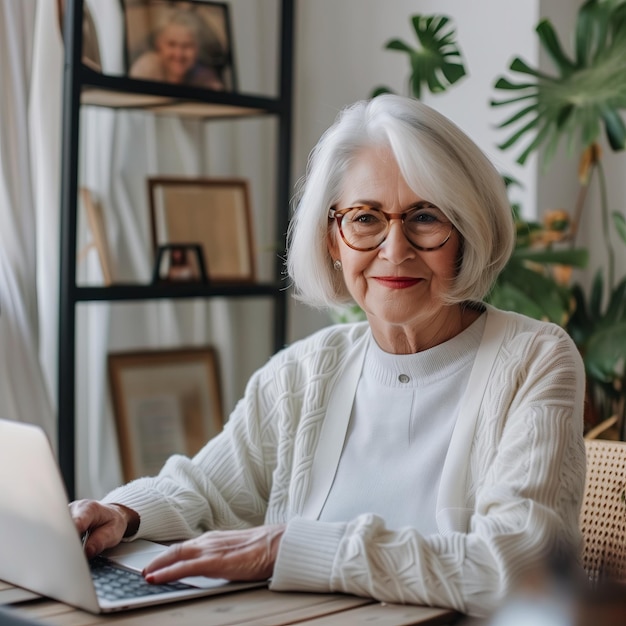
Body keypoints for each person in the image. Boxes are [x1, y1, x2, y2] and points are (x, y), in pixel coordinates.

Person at [70, 95, 586, 618]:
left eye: (425, 217)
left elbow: (520, 567)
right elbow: (205, 490)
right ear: (333, 241)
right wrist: (121, 513)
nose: (395, 248)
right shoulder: (303, 372)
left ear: (468, 233)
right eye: (365, 218)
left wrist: (288, 548)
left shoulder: (534, 360)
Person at [129, 9, 225, 90]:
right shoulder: (145, 69)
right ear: (158, 45)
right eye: (171, 44)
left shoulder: (205, 78)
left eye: (187, 46)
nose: (179, 54)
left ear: (198, 48)